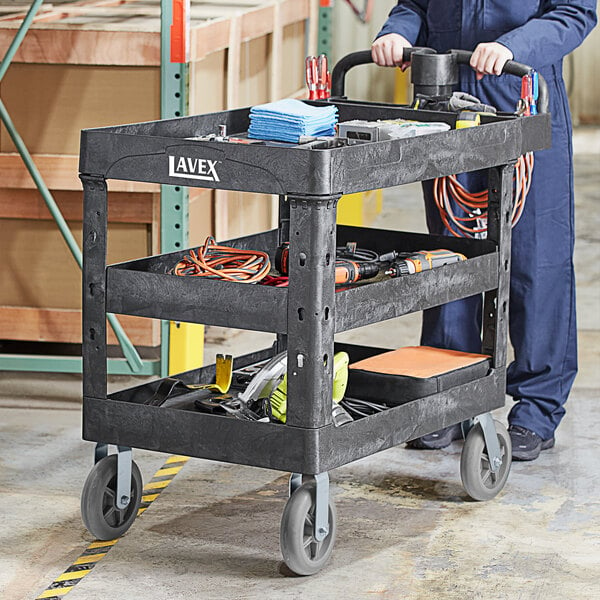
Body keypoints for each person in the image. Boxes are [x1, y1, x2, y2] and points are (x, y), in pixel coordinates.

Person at [372, 1, 597, 460]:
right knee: (453, 256)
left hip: (522, 94)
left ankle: (536, 409)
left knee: (537, 260)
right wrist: (397, 32)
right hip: (446, 99)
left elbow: (575, 12)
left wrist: (511, 46)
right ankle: (450, 399)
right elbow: (414, 4)